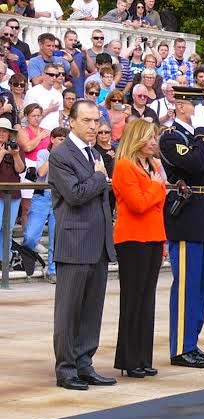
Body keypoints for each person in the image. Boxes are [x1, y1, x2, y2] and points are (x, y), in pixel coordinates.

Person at [49, 100, 117, 390]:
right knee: (69, 311)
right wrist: (100, 177)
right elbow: (75, 195)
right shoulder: (61, 155)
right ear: (72, 121)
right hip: (75, 242)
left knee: (92, 309)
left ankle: (84, 363)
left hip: (98, 242)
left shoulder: (94, 153)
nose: (93, 126)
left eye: (96, 120)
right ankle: (66, 369)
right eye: (87, 120)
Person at [159, 85, 204, 368]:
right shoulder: (172, 138)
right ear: (180, 106)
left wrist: (202, 136)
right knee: (185, 285)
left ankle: (192, 342)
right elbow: (197, 163)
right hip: (184, 216)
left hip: (200, 213)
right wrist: (203, 133)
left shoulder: (196, 136)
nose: (200, 109)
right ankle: (181, 348)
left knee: (201, 284)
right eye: (195, 104)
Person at [112, 119, 166, 378]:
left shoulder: (153, 165)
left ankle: (143, 356)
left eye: (154, 137)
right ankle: (129, 358)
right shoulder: (124, 166)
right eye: (149, 137)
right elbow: (138, 203)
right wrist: (156, 187)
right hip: (133, 238)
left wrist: (155, 189)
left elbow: (156, 203)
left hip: (154, 236)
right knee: (133, 299)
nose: (153, 142)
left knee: (147, 299)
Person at [22, 127, 68, 283]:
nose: (63, 142)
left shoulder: (69, 156)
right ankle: (29, 255)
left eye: (65, 139)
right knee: (29, 236)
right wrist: (54, 156)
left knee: (56, 238)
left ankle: (52, 270)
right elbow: (41, 173)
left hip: (59, 198)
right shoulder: (44, 153)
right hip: (42, 197)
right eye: (60, 139)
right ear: (53, 139)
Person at [0, 117, 25, 268]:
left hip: (13, 194)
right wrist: (2, 153)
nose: (2, 134)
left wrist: (15, 155)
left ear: (10, 134)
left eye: (5, 131)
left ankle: (4, 259)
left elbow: (20, 169)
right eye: (0, 131)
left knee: (8, 228)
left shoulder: (16, 147)